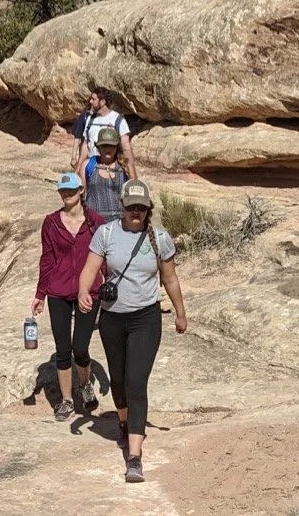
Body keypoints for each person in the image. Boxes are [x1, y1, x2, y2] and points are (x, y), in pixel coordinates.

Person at [78, 179, 186, 484]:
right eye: (131, 207)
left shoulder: (160, 238)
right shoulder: (107, 233)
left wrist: (180, 312)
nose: (135, 212)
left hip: (145, 320)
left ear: (148, 208)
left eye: (141, 207)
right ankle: (124, 422)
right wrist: (84, 292)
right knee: (119, 381)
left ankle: (135, 457)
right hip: (112, 319)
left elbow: (171, 278)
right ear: (122, 207)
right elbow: (90, 267)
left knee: (137, 383)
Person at [32, 173, 104, 421]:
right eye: (63, 191)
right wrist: (40, 294)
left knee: (80, 347)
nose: (66, 194)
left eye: (71, 190)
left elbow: (104, 256)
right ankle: (66, 401)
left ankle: (84, 384)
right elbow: (47, 259)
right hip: (59, 291)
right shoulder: (51, 223)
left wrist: (107, 283)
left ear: (81, 190)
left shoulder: (96, 222)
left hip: (89, 291)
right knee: (63, 349)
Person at [76, 88, 137, 179]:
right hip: (93, 166)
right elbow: (85, 145)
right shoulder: (90, 119)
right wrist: (79, 168)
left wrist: (132, 174)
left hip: (113, 168)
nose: (90, 101)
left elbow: (126, 147)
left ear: (103, 102)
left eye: (94, 99)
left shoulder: (118, 120)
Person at [81, 127, 127, 224]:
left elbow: (134, 190)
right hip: (94, 221)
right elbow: (80, 194)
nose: (108, 149)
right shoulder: (89, 165)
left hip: (119, 222)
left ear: (117, 147)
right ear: (98, 147)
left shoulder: (124, 167)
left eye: (112, 146)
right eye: (104, 146)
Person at [70, 92, 100, 171]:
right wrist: (74, 157)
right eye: (91, 99)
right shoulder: (85, 117)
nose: (91, 101)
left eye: (93, 99)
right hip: (86, 153)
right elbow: (77, 138)